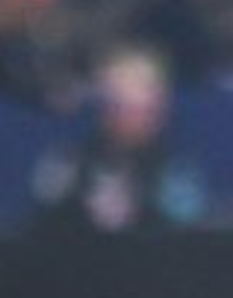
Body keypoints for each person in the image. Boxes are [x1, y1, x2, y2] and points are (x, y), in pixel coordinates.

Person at [31, 45, 206, 232]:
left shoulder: (178, 170)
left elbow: (188, 231)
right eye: (125, 107)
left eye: (147, 110)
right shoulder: (68, 163)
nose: (137, 118)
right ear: (105, 109)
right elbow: (41, 226)